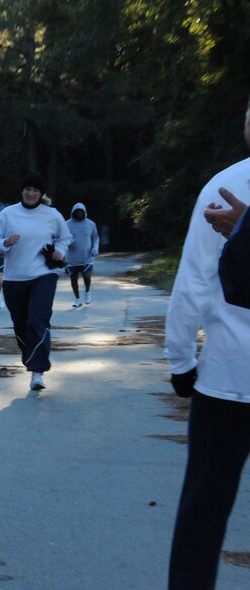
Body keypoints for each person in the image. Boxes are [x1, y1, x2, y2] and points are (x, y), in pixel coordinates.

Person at [165, 95, 250, 589]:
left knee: (203, 514)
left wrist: (181, 360)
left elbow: (194, 281)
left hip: (226, 377)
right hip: (224, 377)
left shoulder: (226, 185)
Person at [0, 173, 72, 395]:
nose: (31, 193)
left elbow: (65, 238)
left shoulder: (52, 215)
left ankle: (38, 371)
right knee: (22, 325)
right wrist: (5, 242)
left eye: (36, 190)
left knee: (37, 320)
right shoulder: (8, 214)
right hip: (15, 279)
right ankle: (32, 361)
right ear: (22, 191)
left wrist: (59, 252)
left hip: (43, 276)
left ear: (41, 194)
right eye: (28, 189)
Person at [64, 203, 100, 308]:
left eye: (81, 212)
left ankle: (87, 292)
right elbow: (62, 237)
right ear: (73, 212)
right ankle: (77, 299)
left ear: (84, 212)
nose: (79, 214)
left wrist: (95, 248)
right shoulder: (67, 224)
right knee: (73, 278)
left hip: (87, 256)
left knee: (86, 275)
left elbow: (96, 238)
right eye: (77, 212)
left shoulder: (90, 224)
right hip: (72, 257)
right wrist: (69, 241)